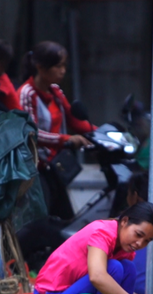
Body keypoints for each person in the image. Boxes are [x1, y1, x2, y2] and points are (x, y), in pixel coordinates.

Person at [33, 202, 153, 294]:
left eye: (146, 241)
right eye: (138, 235)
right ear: (124, 221)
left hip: (71, 292)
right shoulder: (102, 232)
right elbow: (97, 277)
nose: (140, 243)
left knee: (129, 269)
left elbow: (107, 282)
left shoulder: (123, 248)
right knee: (114, 268)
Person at [17, 41, 94, 219]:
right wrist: (66, 139)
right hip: (35, 169)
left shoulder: (55, 92)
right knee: (42, 219)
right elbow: (31, 133)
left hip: (53, 166)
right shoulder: (27, 94)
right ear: (41, 68)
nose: (63, 71)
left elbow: (75, 120)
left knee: (65, 219)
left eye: (64, 66)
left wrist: (100, 133)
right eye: (58, 66)